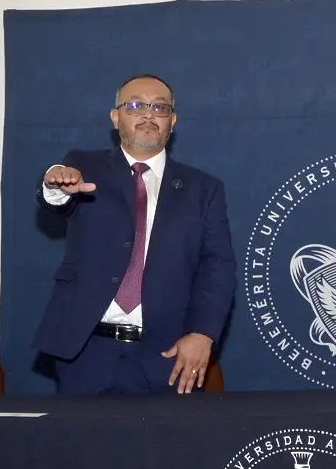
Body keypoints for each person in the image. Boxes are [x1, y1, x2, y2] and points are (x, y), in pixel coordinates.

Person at [33, 73, 236, 395]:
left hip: (167, 355)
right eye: (136, 106)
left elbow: (218, 266)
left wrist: (203, 333)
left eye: (159, 108)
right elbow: (55, 198)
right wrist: (55, 184)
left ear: (172, 121)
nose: (148, 115)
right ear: (115, 117)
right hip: (86, 353)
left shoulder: (203, 189)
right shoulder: (83, 167)